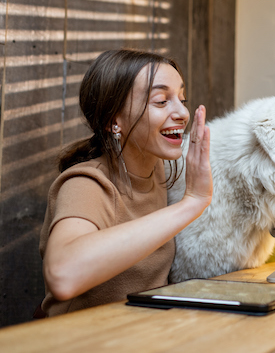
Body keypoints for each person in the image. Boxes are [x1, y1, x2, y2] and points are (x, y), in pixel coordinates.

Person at [37, 49, 213, 317]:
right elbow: (62, 275)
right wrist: (193, 203)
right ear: (113, 121)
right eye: (161, 101)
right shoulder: (87, 183)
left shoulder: (158, 171)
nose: (182, 113)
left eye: (182, 98)